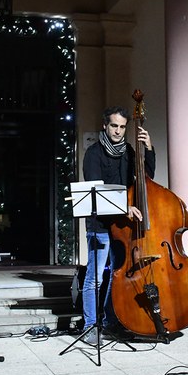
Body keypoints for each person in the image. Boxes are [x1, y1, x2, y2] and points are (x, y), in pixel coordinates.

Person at [80, 106, 155, 345]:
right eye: (114, 126)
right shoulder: (94, 153)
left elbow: (147, 177)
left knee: (116, 276)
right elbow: (97, 190)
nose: (118, 131)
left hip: (122, 228)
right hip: (100, 225)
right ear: (105, 125)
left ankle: (112, 322)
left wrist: (149, 148)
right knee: (95, 278)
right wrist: (124, 207)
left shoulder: (128, 152)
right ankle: (90, 325)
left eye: (123, 127)